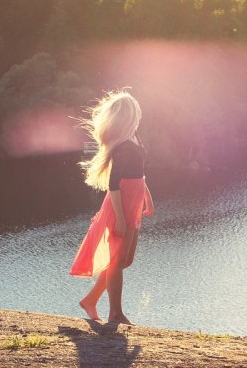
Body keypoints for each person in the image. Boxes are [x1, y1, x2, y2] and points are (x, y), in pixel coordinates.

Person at [70, 90, 155, 325]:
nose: (139, 116)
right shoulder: (123, 147)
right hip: (121, 206)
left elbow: (138, 174)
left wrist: (147, 196)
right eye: (136, 113)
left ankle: (90, 299)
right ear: (129, 116)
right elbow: (114, 184)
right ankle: (115, 314)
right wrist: (119, 218)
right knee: (118, 261)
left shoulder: (133, 140)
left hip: (133, 204)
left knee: (126, 260)